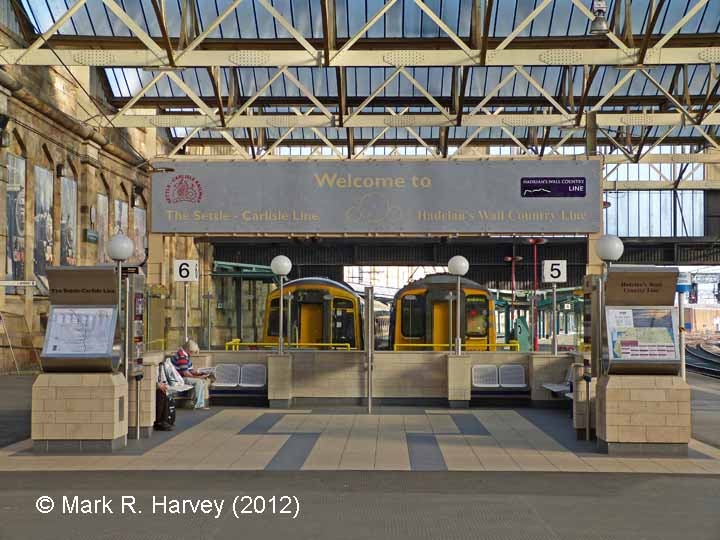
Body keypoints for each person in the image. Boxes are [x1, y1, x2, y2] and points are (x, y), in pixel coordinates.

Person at [171, 339, 210, 409]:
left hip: (183, 376)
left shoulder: (185, 355)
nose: (192, 354)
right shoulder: (181, 356)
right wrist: (198, 377)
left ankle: (200, 404)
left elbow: (190, 370)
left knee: (203, 381)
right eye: (192, 352)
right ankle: (197, 404)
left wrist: (200, 373)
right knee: (199, 382)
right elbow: (186, 373)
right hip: (179, 378)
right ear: (188, 349)